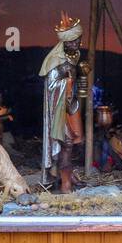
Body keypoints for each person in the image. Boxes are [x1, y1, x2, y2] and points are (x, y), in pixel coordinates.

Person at [39, 13, 87, 194]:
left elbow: (76, 80)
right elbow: (51, 86)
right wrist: (66, 81)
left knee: (73, 144)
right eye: (72, 41)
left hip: (71, 107)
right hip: (59, 110)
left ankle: (67, 176)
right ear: (65, 42)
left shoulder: (75, 56)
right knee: (65, 144)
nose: (76, 44)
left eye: (78, 40)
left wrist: (80, 78)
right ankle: (65, 183)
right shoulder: (55, 61)